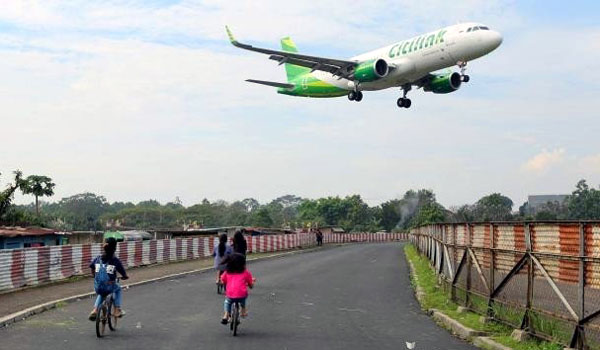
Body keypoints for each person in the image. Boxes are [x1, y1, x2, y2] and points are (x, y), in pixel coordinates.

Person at [89, 237, 129, 321]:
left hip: (97, 286)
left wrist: (94, 275)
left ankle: (95, 310)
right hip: (109, 286)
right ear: (114, 248)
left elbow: (92, 267)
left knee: (101, 293)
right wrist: (125, 276)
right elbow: (122, 272)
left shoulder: (98, 258)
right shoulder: (115, 260)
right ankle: (117, 309)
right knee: (117, 289)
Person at [220, 253, 255, 324]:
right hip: (241, 294)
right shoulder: (246, 273)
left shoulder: (227, 272)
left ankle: (226, 315)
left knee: (227, 302)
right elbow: (250, 284)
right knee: (243, 299)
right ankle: (243, 310)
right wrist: (252, 283)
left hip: (230, 294)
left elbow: (222, 280)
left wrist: (225, 282)